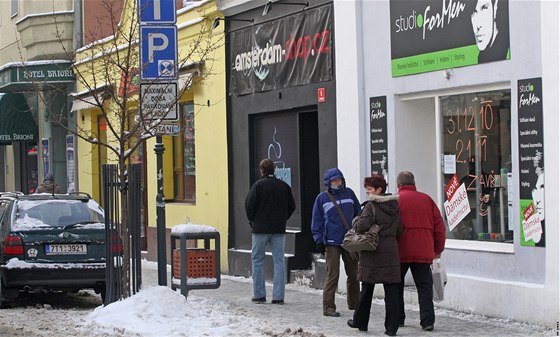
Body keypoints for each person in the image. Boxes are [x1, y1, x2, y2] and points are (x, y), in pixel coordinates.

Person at [346, 175, 402, 336]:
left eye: (369, 189)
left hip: (373, 251)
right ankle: (391, 328)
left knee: (367, 288)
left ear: (379, 190)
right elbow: (400, 230)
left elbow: (361, 226)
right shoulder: (395, 206)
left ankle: (360, 321)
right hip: (390, 252)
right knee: (391, 291)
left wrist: (356, 219)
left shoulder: (371, 206)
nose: (367, 192)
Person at [396, 171, 446, 332]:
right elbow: (440, 228)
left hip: (400, 250)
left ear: (399, 185)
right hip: (423, 251)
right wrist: (437, 249)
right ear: (414, 183)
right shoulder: (427, 200)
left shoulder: (395, 201)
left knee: (396, 285)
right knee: (424, 287)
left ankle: (398, 318)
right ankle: (427, 321)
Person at [311, 168, 360, 317]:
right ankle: (328, 307)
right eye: (334, 180)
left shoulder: (350, 194)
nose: (337, 183)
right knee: (333, 274)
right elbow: (317, 221)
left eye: (339, 179)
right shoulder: (322, 198)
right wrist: (318, 240)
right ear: (328, 182)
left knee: (354, 273)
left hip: (349, 240)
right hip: (331, 241)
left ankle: (355, 304)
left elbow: (358, 213)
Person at [245, 158, 295, 304]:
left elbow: (249, 205)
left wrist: (253, 220)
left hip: (260, 229)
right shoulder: (283, 186)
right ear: (274, 170)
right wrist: (283, 218)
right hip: (279, 229)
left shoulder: (258, 186)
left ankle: (259, 294)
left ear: (261, 170)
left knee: (257, 260)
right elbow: (292, 205)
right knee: (279, 261)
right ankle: (278, 296)